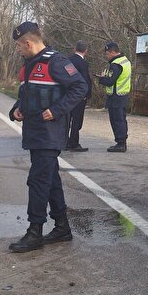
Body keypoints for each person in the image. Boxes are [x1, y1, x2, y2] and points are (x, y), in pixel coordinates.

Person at [8, 21, 88, 253]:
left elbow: (80, 88)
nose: (17, 50)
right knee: (50, 180)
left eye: (18, 46)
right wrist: (15, 110)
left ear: (28, 42)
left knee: (38, 180)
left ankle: (35, 232)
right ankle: (62, 227)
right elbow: (25, 95)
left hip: (49, 133)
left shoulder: (56, 61)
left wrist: (57, 110)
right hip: (34, 133)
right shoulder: (28, 65)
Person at [96, 41, 131, 152]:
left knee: (117, 120)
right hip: (123, 95)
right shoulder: (125, 61)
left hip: (116, 97)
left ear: (112, 52)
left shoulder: (116, 64)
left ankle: (120, 143)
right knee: (121, 119)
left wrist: (101, 79)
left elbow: (110, 81)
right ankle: (122, 142)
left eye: (107, 54)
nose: (106, 56)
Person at [65, 41, 92, 152]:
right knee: (77, 120)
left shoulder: (68, 61)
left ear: (74, 48)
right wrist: (87, 94)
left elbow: (69, 77)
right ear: (86, 51)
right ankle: (74, 143)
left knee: (67, 119)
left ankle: (65, 142)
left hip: (68, 94)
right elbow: (85, 80)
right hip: (79, 96)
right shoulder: (83, 63)